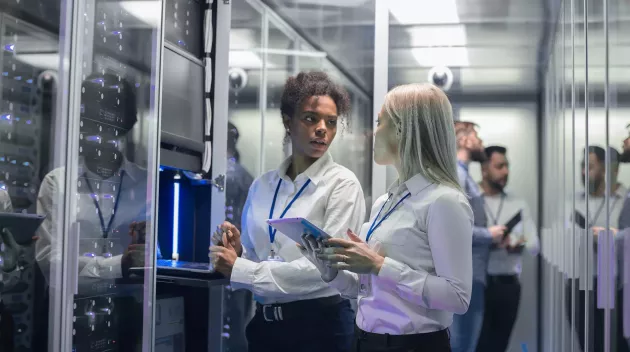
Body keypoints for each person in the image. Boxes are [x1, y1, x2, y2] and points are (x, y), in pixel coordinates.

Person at [300, 83, 473, 352]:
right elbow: (371, 289)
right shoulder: (385, 202)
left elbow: (458, 298)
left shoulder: (444, 201)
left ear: (402, 129)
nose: (372, 133)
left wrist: (380, 265)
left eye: (380, 122)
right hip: (365, 341)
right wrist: (332, 272)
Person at [209, 71, 366, 352]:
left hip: (321, 329)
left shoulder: (341, 185)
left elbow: (324, 271)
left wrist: (242, 269)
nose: (322, 129)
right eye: (311, 118)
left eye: (331, 122)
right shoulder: (262, 185)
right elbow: (257, 256)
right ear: (287, 122)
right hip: (264, 329)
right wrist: (240, 252)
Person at [475, 146, 539, 352]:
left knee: (498, 345)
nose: (505, 172)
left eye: (507, 166)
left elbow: (535, 245)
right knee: (472, 344)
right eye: (499, 166)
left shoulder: (517, 203)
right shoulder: (469, 199)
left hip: (507, 286)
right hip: (476, 286)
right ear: (484, 169)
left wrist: (517, 241)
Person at [565, 145, 629, 352]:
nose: (584, 172)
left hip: (615, 284)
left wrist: (615, 236)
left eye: (590, 167)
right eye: (583, 166)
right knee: (588, 344)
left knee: (616, 344)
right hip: (580, 284)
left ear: (609, 169)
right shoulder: (574, 201)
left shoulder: (626, 200)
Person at [450, 121, 504, 352]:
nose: (481, 142)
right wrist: (489, 234)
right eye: (476, 136)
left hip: (471, 273)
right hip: (466, 275)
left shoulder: (462, 174)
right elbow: (454, 229)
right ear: (463, 140)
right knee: (463, 343)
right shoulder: (458, 175)